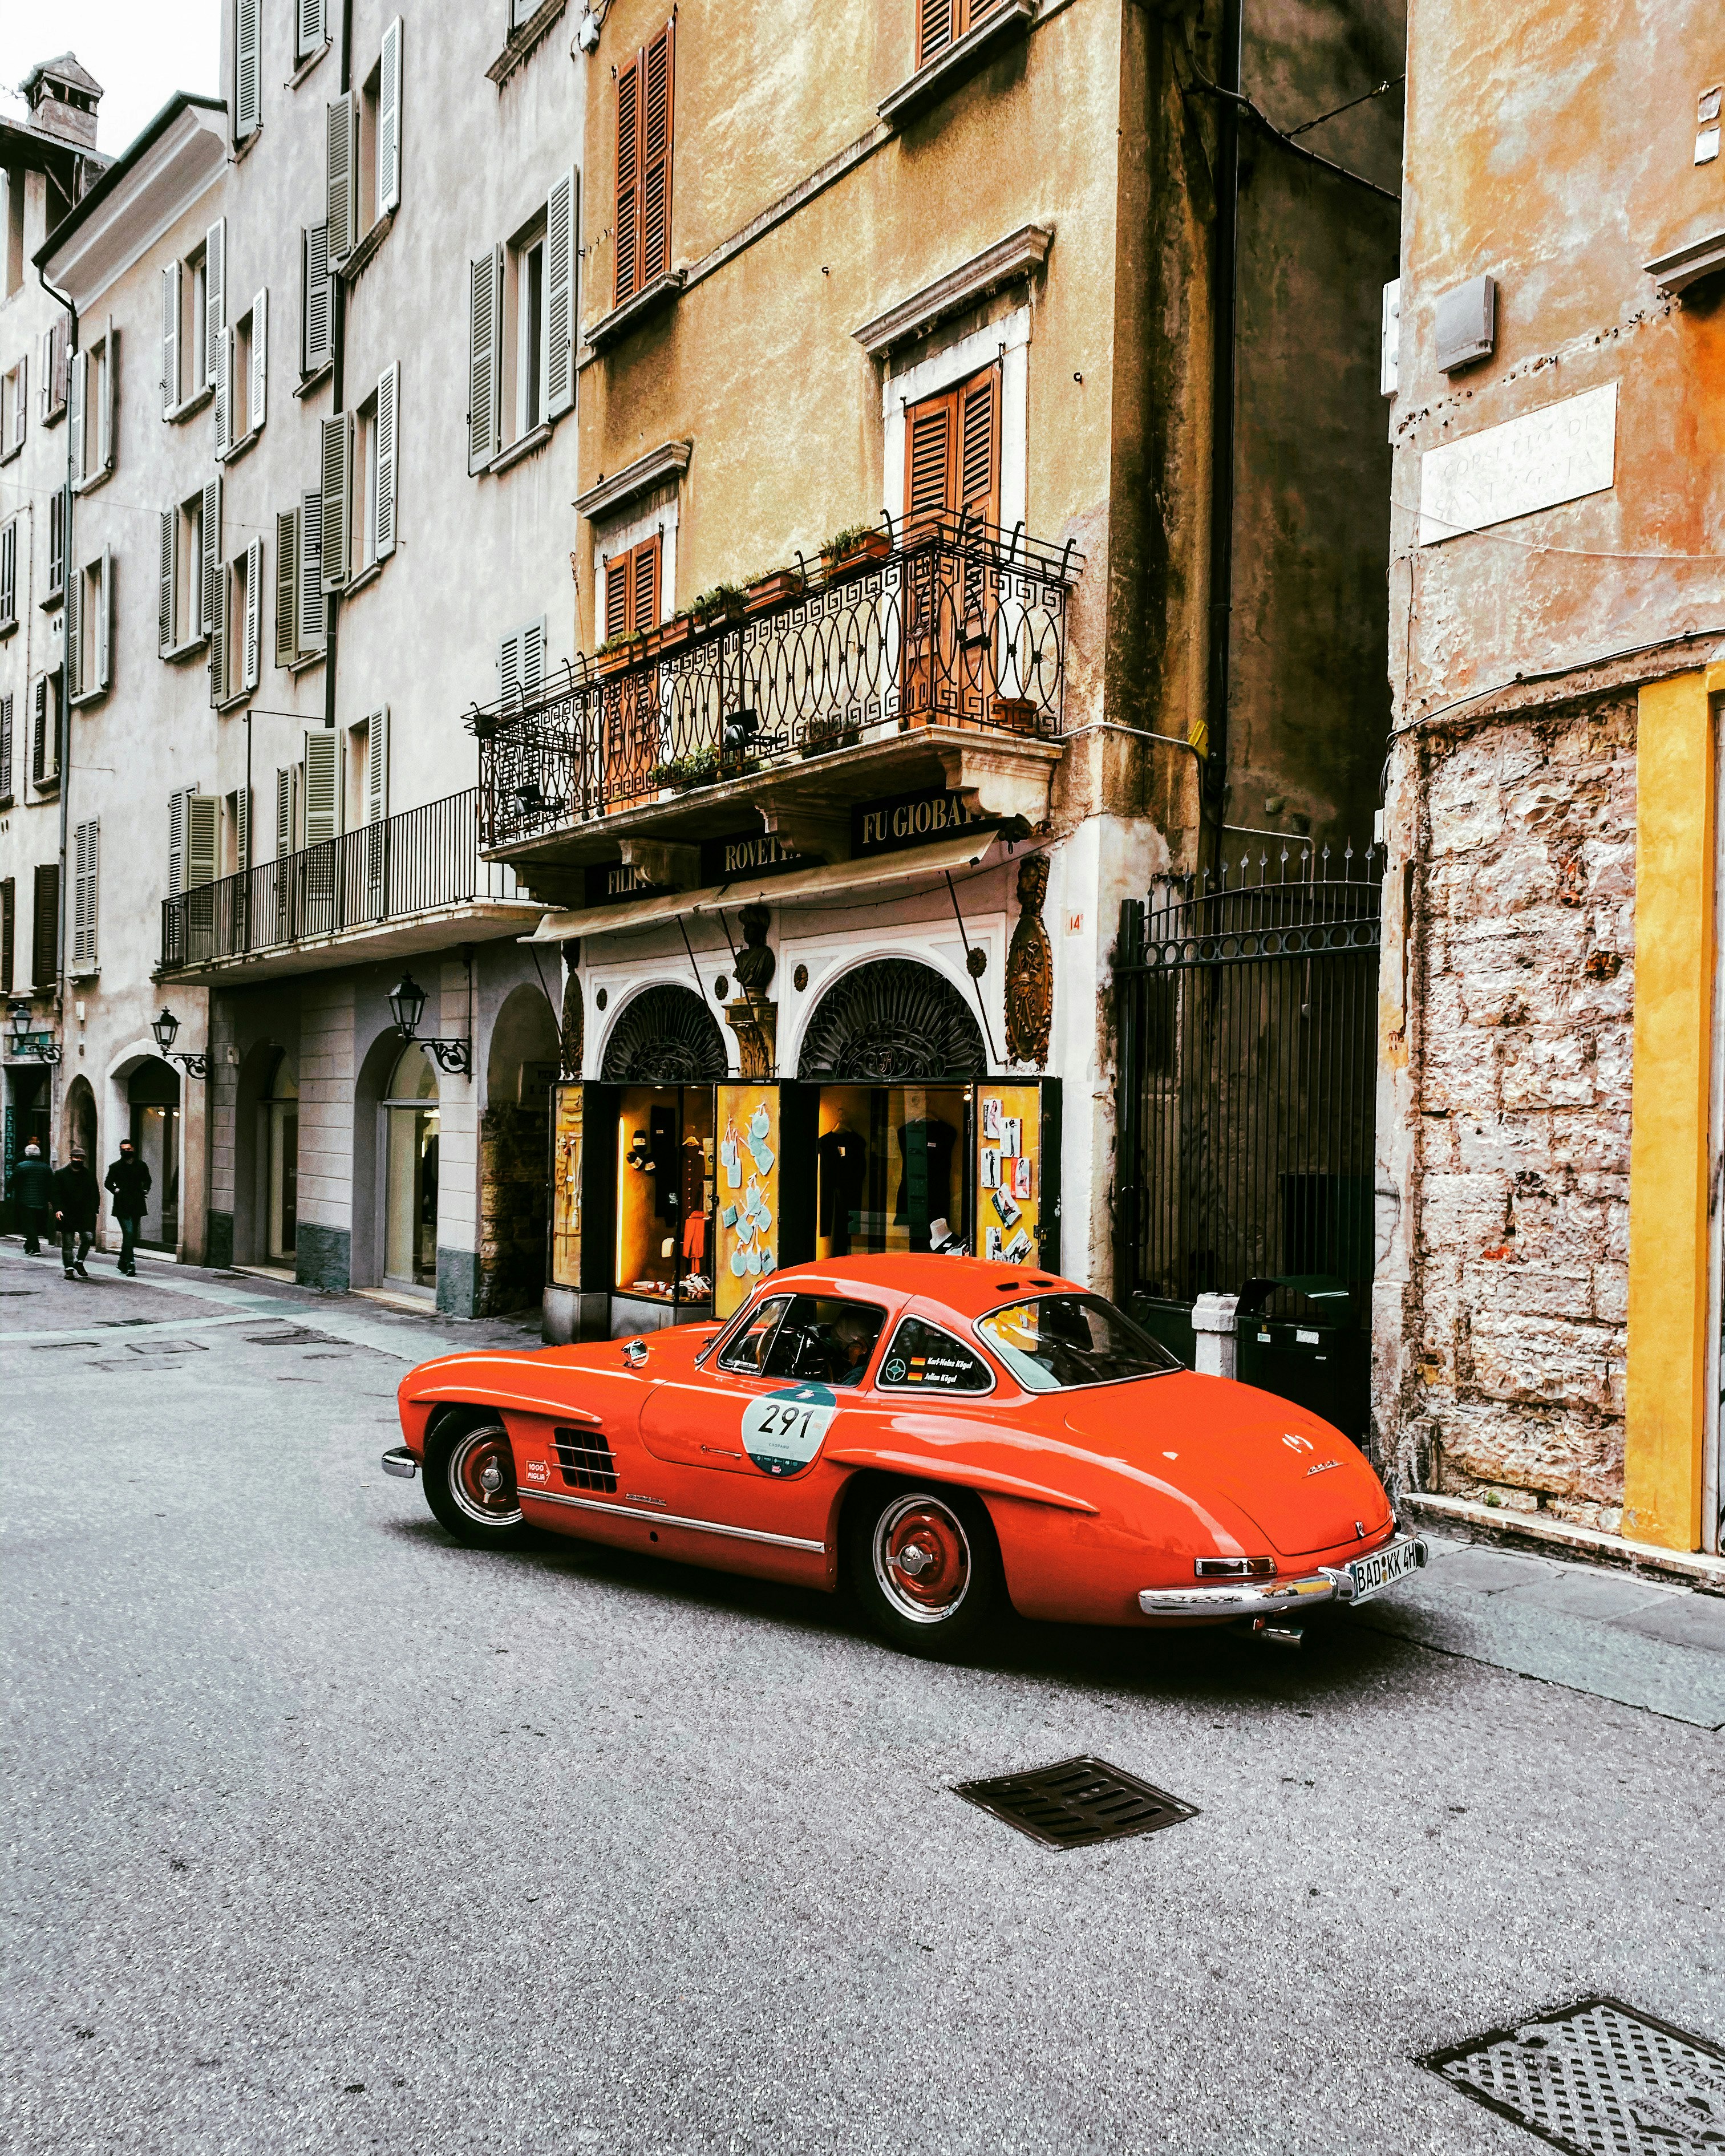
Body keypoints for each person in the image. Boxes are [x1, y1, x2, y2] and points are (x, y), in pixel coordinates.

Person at [103, 1138, 152, 1277]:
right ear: (120, 1150)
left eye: (128, 1149)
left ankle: (121, 1261)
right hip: (122, 1205)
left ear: (133, 1149)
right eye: (123, 1149)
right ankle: (131, 1264)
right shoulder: (115, 1167)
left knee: (130, 1235)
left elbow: (148, 1180)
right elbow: (108, 1183)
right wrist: (116, 1191)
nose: (126, 1151)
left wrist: (145, 1190)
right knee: (129, 1233)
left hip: (137, 1203)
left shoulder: (141, 1165)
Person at [52, 1146, 100, 1280]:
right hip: (67, 1212)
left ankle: (79, 1261)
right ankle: (68, 1268)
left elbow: (95, 1193)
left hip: (85, 1214)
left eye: (81, 1158)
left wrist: (94, 1209)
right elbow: (56, 1193)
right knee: (68, 1243)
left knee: (88, 1238)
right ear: (71, 1158)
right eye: (76, 1157)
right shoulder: (61, 1174)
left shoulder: (89, 1174)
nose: (79, 1160)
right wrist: (58, 1209)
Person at [13, 1138, 54, 1254]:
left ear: (27, 1154)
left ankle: (35, 1247)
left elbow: (13, 1182)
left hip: (25, 1201)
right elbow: (51, 1184)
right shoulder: (46, 1168)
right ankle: (28, 1245)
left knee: (29, 1225)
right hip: (41, 1201)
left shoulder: (20, 1166)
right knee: (35, 1224)